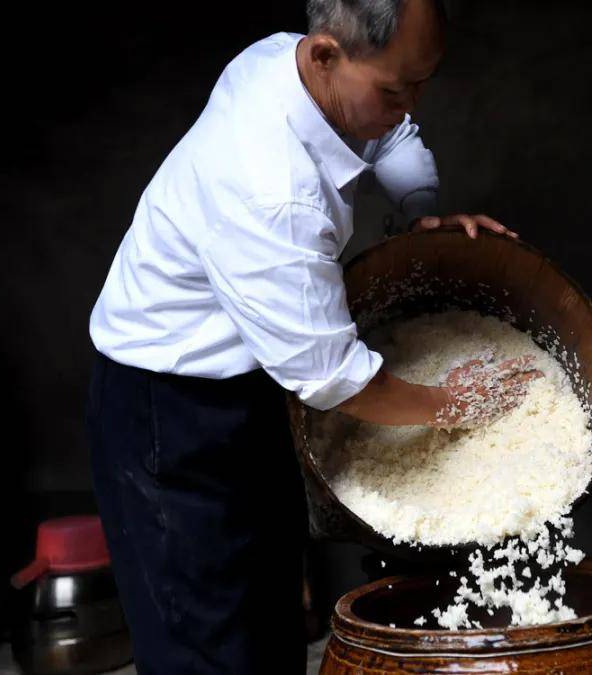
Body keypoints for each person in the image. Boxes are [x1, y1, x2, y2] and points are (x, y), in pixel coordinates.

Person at [85, 1, 535, 671]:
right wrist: (455, 402)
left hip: (251, 385)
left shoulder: (288, 62)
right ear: (326, 54)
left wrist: (422, 213)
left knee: (271, 623)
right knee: (205, 647)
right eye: (395, 88)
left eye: (422, 81)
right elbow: (331, 377)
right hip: (169, 414)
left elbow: (393, 136)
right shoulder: (272, 189)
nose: (412, 104)